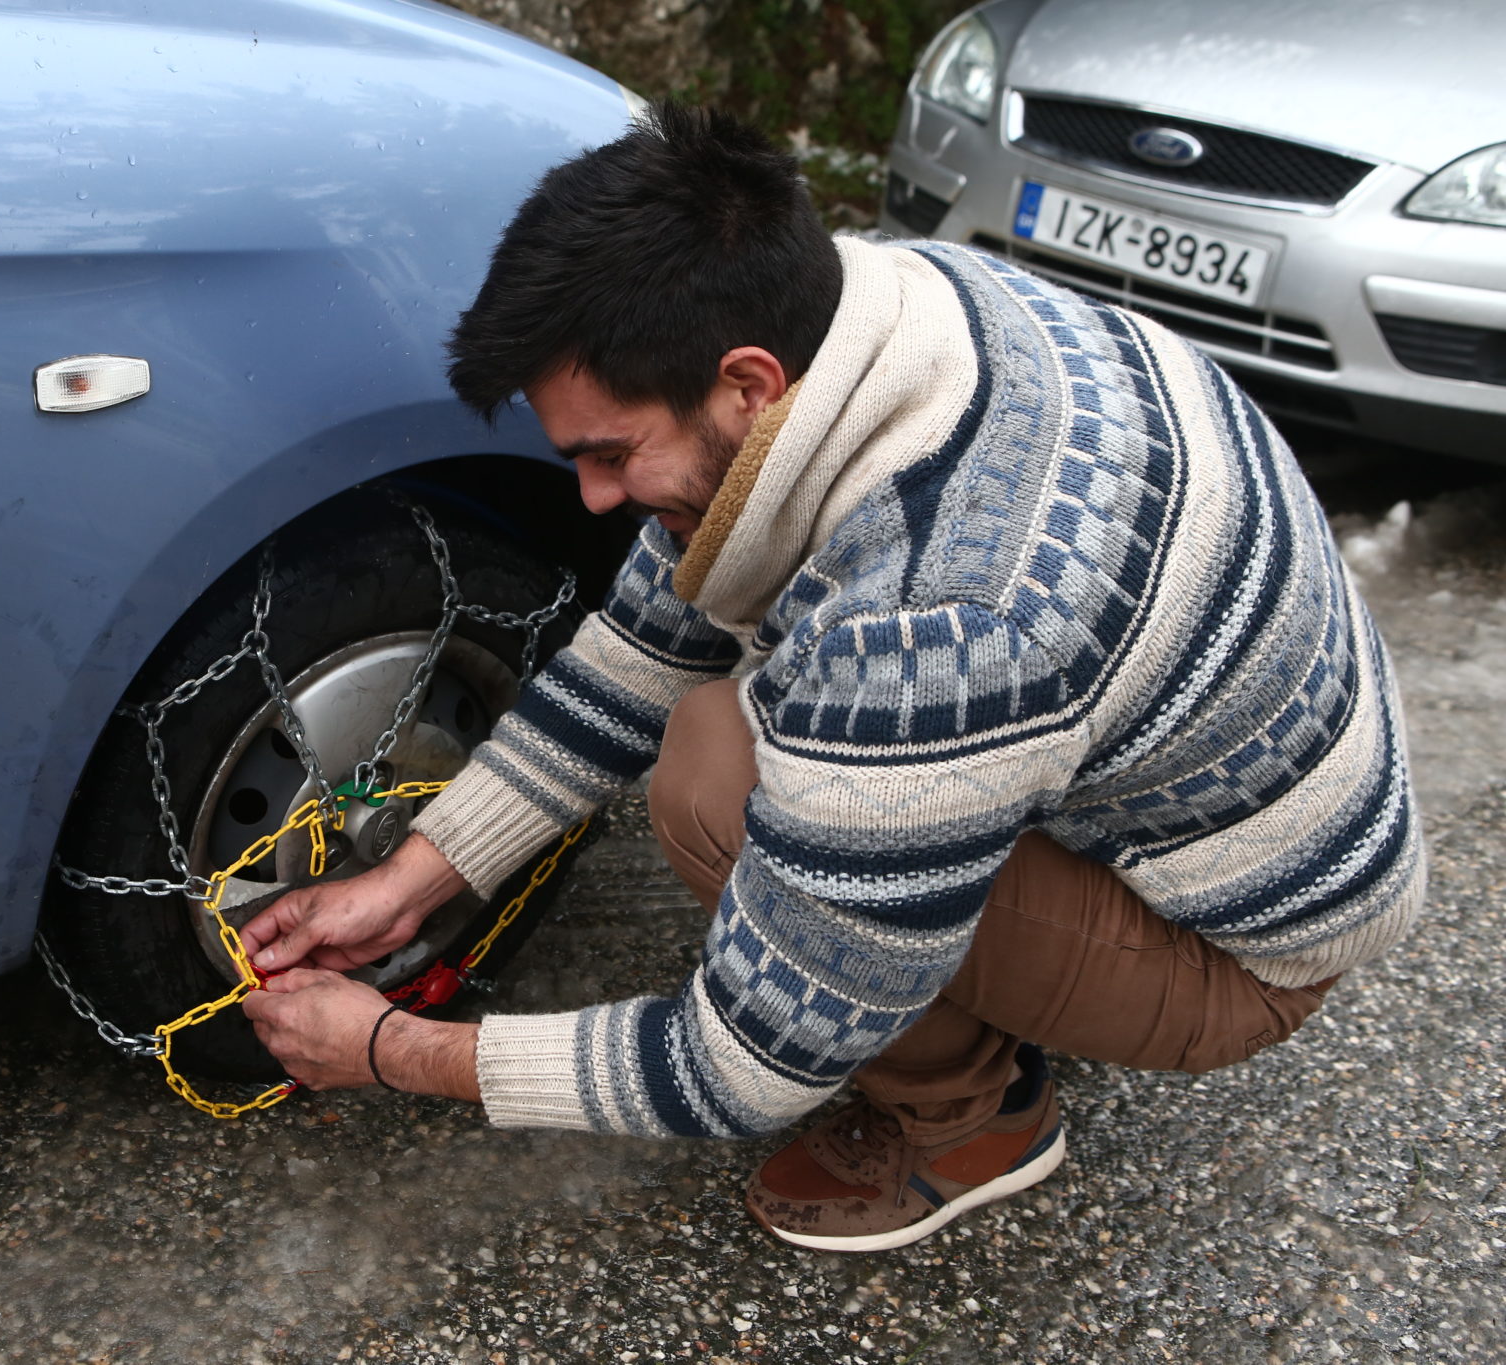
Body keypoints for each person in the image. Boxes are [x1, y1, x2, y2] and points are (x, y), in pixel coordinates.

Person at [239, 101, 1423, 1253]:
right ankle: (963, 963)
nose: (595, 501)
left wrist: (392, 1048)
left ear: (746, 385)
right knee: (767, 740)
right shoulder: (884, 308)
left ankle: (973, 1129)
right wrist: (412, 879)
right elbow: (647, 644)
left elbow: (747, 1065)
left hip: (1244, 944)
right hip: (1261, 784)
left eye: (610, 455)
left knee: (715, 780)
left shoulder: (940, 622)